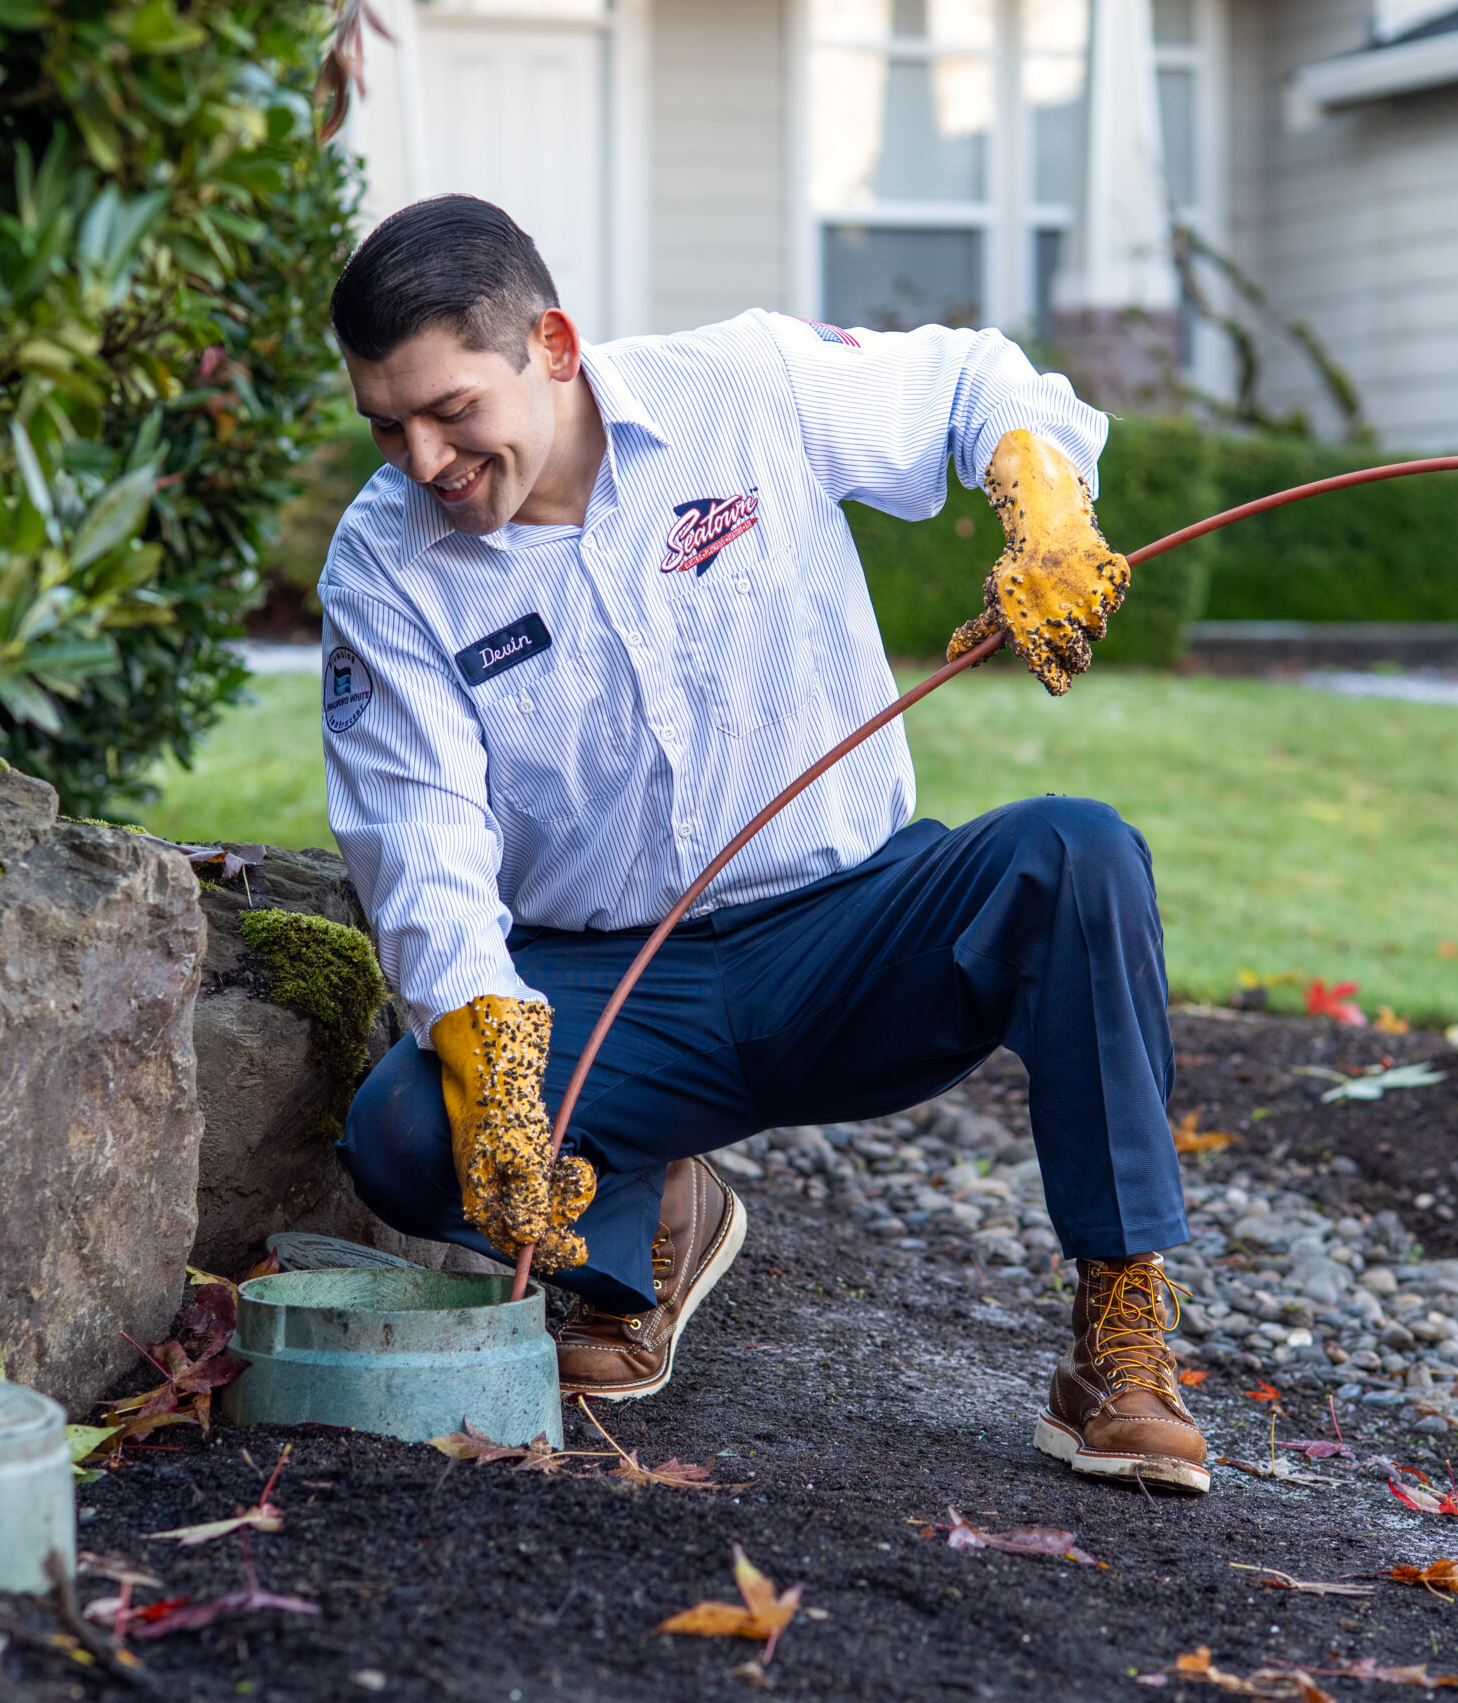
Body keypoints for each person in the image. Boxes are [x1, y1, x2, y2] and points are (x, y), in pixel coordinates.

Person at [318, 195, 1207, 1493]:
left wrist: (1042, 493)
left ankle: (1118, 1339)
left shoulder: (742, 384)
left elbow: (970, 381)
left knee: (1078, 855)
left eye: (452, 411)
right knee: (404, 1129)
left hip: (851, 937)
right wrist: (485, 1054)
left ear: (552, 347)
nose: (424, 458)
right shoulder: (378, 570)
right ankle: (637, 1239)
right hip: (619, 989)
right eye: (386, 426)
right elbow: (421, 838)